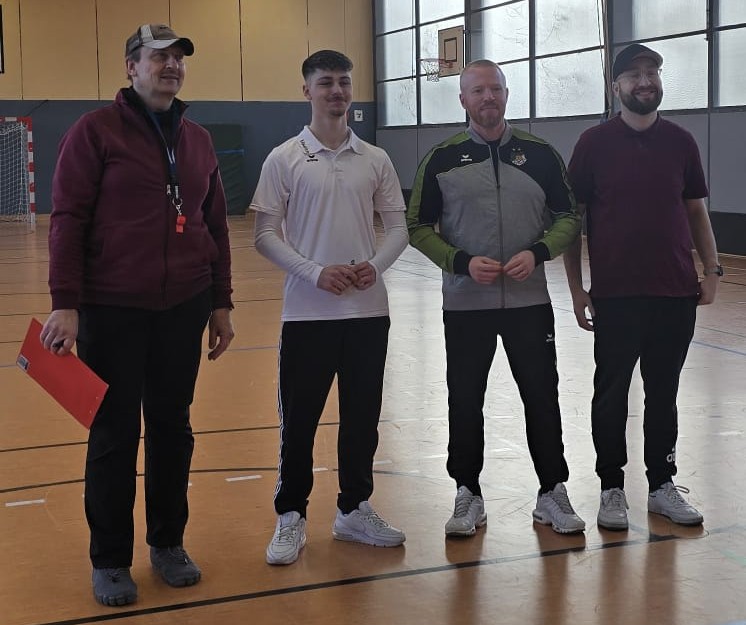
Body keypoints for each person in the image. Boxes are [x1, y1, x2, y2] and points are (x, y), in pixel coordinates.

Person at [40, 24, 234, 606]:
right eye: (158, 57)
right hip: (112, 309)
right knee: (114, 433)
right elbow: (68, 219)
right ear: (131, 66)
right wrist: (65, 304)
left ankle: (168, 543)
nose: (171, 66)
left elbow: (215, 224)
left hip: (183, 307)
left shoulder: (198, 140)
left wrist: (220, 302)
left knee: (173, 429)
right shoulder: (94, 131)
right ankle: (110, 559)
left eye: (178, 58)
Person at [407, 59, 585, 537]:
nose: (488, 97)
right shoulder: (441, 159)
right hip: (466, 306)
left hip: (530, 304)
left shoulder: (541, 155)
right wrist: (460, 262)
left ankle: (552, 491)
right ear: (463, 99)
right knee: (465, 399)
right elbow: (417, 227)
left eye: (495, 89)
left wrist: (539, 251)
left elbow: (569, 217)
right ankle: (467, 492)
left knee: (542, 396)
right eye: (478, 90)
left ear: (506, 94)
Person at [250, 50, 408, 566]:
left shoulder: (375, 158)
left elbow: (398, 229)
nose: (336, 91)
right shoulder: (284, 158)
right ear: (307, 90)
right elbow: (265, 235)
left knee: (362, 418)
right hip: (307, 316)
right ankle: (291, 515)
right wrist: (314, 272)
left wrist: (374, 266)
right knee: (299, 423)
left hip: (368, 315)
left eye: (343, 82)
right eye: (325, 83)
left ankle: (353, 509)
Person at [564, 44, 721, 530]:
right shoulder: (593, 143)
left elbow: (695, 210)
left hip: (675, 293)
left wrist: (711, 269)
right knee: (611, 394)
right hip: (615, 296)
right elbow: (573, 220)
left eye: (652, 72)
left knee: (664, 393)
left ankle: (661, 485)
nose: (645, 81)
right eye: (634, 74)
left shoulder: (681, 142)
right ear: (616, 86)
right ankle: (612, 487)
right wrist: (577, 288)